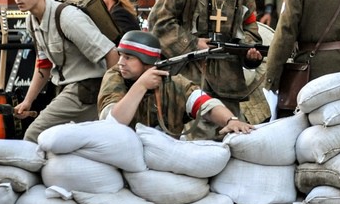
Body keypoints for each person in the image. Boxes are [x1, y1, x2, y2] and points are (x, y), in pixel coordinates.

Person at [148, 0, 265, 135]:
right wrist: (193, 44)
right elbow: (158, 21)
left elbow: (250, 26)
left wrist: (250, 51)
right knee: (195, 142)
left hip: (228, 78)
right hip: (192, 75)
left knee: (232, 137)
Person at [9, 0, 119, 143]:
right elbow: (43, 66)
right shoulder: (31, 21)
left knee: (34, 136)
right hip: (65, 89)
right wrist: (27, 102)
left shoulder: (67, 18)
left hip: (87, 90)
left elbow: (111, 53)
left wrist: (113, 99)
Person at [98, 30, 253, 139]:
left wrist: (231, 120)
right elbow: (113, 122)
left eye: (128, 57)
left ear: (146, 61)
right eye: (121, 56)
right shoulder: (115, 77)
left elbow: (204, 104)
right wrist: (141, 86)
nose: (120, 63)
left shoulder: (170, 82)